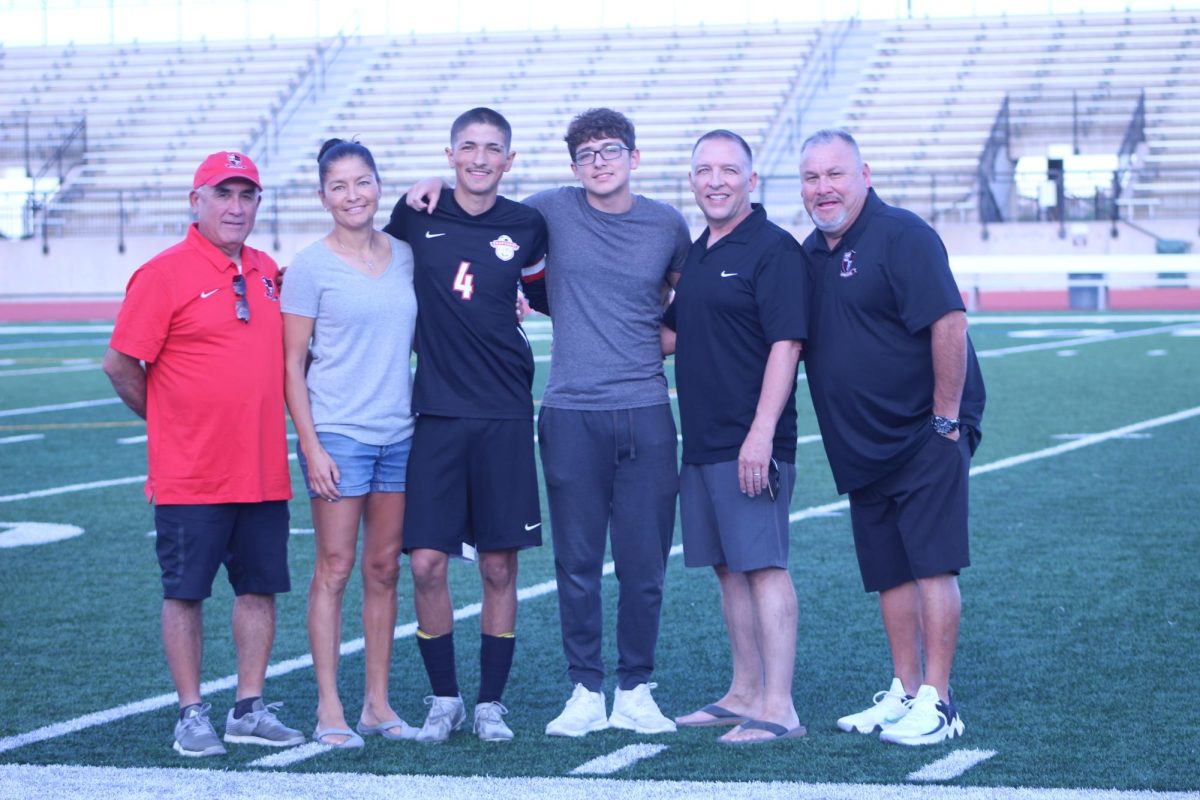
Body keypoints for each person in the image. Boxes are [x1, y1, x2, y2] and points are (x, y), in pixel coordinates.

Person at [406, 107, 689, 738]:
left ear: (634, 157)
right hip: (568, 410)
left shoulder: (667, 224)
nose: (599, 163)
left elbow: (690, 304)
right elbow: (478, 202)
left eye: (611, 151)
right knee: (578, 563)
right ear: (572, 166)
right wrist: (428, 179)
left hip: (645, 408)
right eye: (586, 155)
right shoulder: (550, 210)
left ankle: (637, 688)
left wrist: (648, 347)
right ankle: (586, 689)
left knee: (644, 565)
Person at [101, 151, 303, 757]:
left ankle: (248, 706)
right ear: (197, 201)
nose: (235, 208)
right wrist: (167, 419)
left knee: (259, 589)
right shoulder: (162, 273)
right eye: (223, 195)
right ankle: (191, 713)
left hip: (264, 469)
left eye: (247, 196)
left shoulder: (269, 269)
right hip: (192, 473)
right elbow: (119, 363)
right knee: (185, 592)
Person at [797, 128, 985, 746]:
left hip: (924, 428)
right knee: (889, 571)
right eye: (811, 178)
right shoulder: (809, 254)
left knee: (931, 564)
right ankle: (905, 691)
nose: (823, 189)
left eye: (835, 174)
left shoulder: (902, 234)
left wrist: (945, 420)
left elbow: (949, 322)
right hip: (862, 443)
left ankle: (940, 700)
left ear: (864, 174)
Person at [382, 107, 549, 743]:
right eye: (469, 147)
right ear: (450, 154)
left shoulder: (528, 224)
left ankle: (490, 705)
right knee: (425, 563)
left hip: (505, 411)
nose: (480, 158)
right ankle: (444, 698)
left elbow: (540, 293)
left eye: (493, 149)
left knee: (500, 566)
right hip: (437, 413)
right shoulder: (415, 214)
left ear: (509, 160)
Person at [661, 130, 809, 744]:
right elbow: (669, 336)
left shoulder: (773, 249)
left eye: (728, 169)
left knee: (763, 565)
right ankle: (745, 690)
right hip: (702, 440)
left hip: (750, 442)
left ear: (751, 179)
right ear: (691, 180)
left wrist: (761, 435)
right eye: (703, 170)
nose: (715, 180)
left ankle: (780, 706)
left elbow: (787, 343)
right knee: (728, 568)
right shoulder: (698, 250)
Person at [281, 139, 418, 749]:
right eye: (339, 186)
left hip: (400, 433)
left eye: (362, 182)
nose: (352, 195)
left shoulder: (408, 255)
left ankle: (377, 703)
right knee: (334, 569)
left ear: (378, 185)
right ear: (322, 196)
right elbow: (291, 365)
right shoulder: (310, 266)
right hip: (339, 433)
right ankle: (330, 705)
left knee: (385, 570)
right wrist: (310, 445)